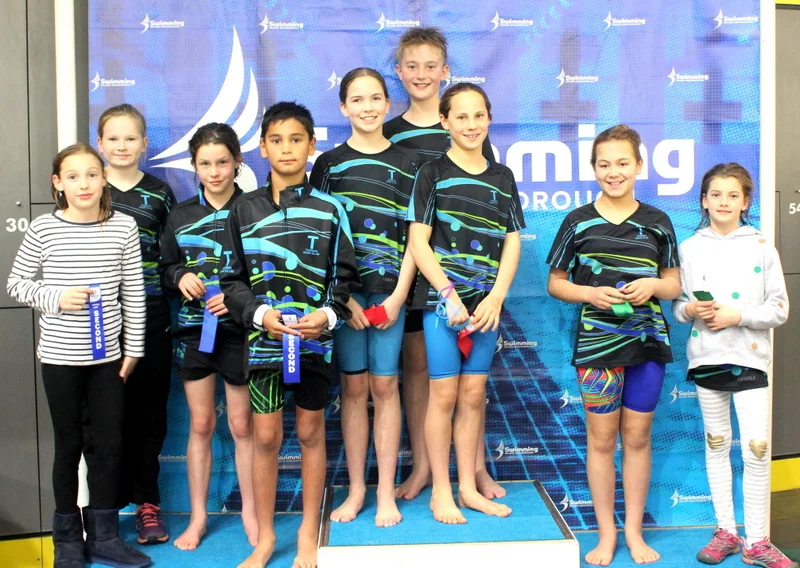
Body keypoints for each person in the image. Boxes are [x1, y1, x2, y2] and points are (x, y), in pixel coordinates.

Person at [220, 102, 359, 568]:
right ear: (262, 148)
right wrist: (260, 314)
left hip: (314, 345)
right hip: (263, 347)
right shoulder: (243, 209)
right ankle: (264, 539)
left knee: (310, 431)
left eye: (296, 139)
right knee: (265, 437)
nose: (286, 149)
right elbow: (231, 280)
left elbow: (344, 278)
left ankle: (306, 532)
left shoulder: (330, 209)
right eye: (276, 140)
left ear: (311, 145)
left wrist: (327, 316)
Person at [7, 143, 150, 568]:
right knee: (68, 446)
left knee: (109, 446)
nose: (83, 184)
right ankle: (67, 541)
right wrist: (56, 296)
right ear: (58, 183)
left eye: (91, 174)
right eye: (72, 176)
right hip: (59, 360)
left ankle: (105, 535)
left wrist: (134, 349)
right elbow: (16, 283)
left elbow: (133, 291)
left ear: (104, 178)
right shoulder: (43, 229)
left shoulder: (123, 227)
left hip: (108, 361)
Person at [546, 125, 681, 565]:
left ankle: (635, 533)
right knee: (602, 440)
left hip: (647, 346)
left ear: (639, 165)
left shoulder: (658, 221)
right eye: (604, 164)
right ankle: (606, 535)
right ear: (593, 169)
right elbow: (555, 283)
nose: (613, 172)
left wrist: (653, 286)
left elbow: (674, 284)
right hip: (597, 348)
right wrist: (590, 293)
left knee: (637, 437)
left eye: (623, 163)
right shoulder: (577, 221)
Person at [385, 26, 501, 502]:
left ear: (445, 71)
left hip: (468, 275)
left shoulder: (467, 128)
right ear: (399, 72)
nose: (421, 74)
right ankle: (424, 469)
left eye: (430, 66)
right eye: (412, 66)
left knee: (471, 380)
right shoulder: (389, 132)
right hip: (412, 267)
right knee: (420, 369)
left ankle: (475, 470)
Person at [407, 83, 523, 524]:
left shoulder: (503, 177)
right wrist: (448, 294)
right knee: (443, 394)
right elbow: (418, 241)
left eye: (479, 115)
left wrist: (496, 297)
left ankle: (468, 488)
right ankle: (441, 491)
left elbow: (512, 241)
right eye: (461, 116)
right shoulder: (432, 172)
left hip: (485, 307)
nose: (471, 124)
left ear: (489, 119)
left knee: (474, 394)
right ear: (445, 122)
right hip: (444, 306)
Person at [672, 163, 796, 568]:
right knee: (717, 445)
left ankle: (757, 541)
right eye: (715, 194)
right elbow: (678, 307)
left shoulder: (761, 246)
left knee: (757, 451)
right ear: (703, 200)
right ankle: (726, 530)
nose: (723, 202)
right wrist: (691, 309)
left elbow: (779, 308)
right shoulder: (689, 248)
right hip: (707, 360)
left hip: (750, 361)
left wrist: (736, 316)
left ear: (745, 202)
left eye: (732, 195)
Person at [310, 67, 418, 528]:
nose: (368, 107)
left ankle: (386, 491)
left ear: (388, 104)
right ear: (343, 107)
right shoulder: (328, 165)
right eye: (357, 99)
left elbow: (417, 238)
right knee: (354, 388)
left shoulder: (411, 164)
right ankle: (357, 490)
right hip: (346, 300)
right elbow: (319, 234)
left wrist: (397, 297)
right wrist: (345, 302)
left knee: (385, 386)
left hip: (392, 296)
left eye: (376, 98)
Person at [159, 123, 256, 551]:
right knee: (200, 423)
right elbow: (165, 268)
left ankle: (251, 511)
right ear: (194, 166)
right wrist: (180, 276)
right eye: (205, 164)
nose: (214, 172)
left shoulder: (254, 210)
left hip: (240, 334)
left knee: (241, 425)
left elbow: (268, 272)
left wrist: (238, 302)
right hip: (193, 331)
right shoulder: (179, 215)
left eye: (222, 163)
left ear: (237, 162)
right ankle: (198, 517)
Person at [96, 103, 176, 544]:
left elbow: (172, 259)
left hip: (151, 315)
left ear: (145, 144)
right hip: (97, 321)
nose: (122, 146)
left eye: (130, 138)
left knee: (149, 415)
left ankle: (148, 504)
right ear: (100, 143)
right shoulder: (89, 188)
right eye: (114, 138)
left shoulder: (160, 194)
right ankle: (104, 510)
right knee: (103, 417)